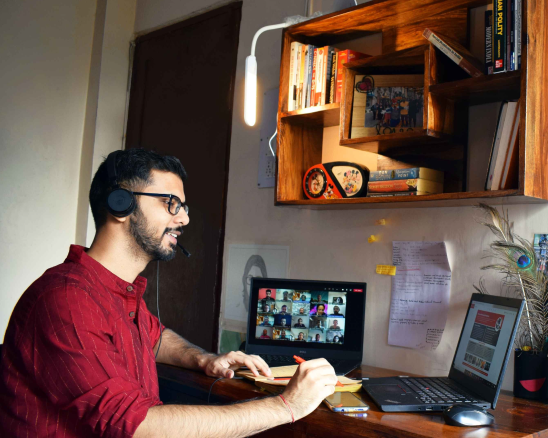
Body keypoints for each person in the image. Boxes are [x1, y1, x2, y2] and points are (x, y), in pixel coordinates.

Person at [0, 149, 337, 437]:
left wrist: (204, 358)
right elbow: (136, 426)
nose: (184, 219)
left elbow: (154, 336)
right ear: (121, 204)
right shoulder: (67, 299)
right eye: (171, 203)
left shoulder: (115, 291)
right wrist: (286, 406)